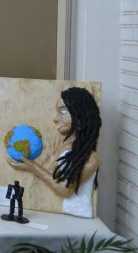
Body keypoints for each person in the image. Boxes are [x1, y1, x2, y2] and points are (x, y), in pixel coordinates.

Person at [7, 87, 101, 218]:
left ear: (80, 116)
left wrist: (33, 167)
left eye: (62, 112)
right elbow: (53, 176)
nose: (55, 118)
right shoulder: (67, 148)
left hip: (78, 217)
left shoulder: (92, 158)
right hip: (61, 214)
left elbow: (65, 189)